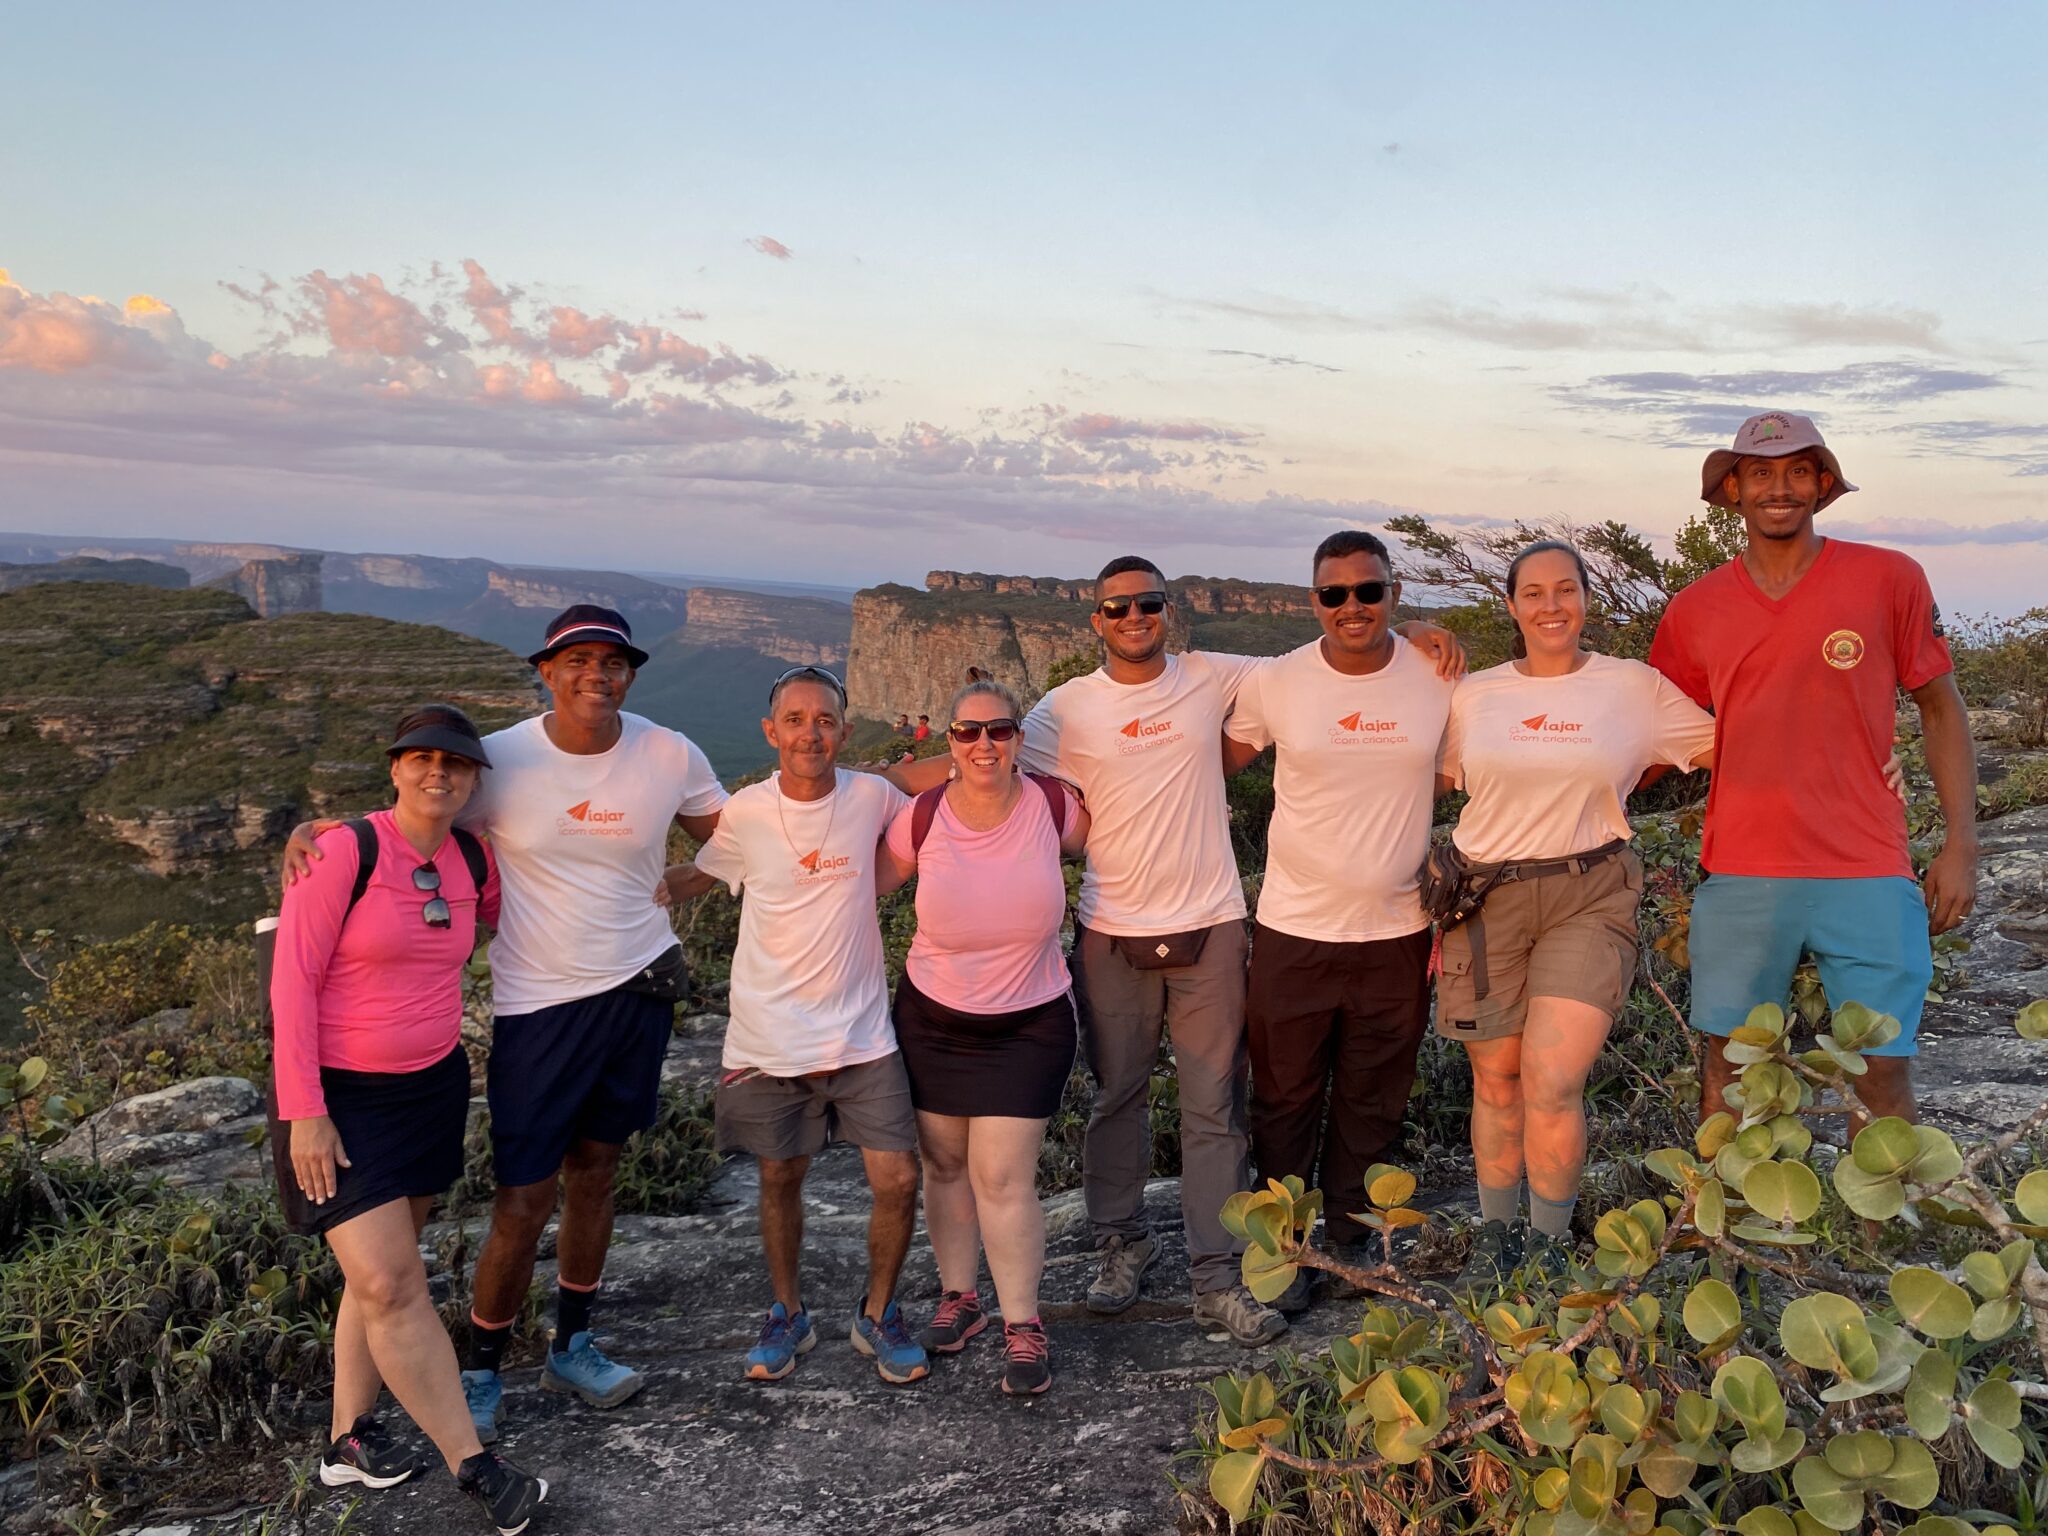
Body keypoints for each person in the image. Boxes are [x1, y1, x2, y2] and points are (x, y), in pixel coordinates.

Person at [883, 556, 1465, 1346]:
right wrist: (862, 788)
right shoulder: (1061, 710)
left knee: (1214, 1106)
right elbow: (975, 764)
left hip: (1212, 923)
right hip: (1111, 926)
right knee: (1116, 1096)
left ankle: (1219, 1277)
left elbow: (1336, 659)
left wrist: (1415, 630)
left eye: (1147, 604)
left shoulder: (1215, 676)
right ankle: (1120, 1245)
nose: (1133, 618)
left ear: (1168, 611)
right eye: (1116, 607)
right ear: (1096, 621)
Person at [284, 604, 728, 1444]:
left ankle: (574, 1344)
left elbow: (735, 837)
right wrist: (321, 835)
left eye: (612, 662)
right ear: (547, 672)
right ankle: (483, 1368)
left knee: (597, 1173)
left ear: (630, 672)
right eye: (577, 661)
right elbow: (419, 817)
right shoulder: (503, 762)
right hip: (539, 1006)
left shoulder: (670, 751)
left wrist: (680, 884)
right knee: (523, 1197)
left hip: (636, 991)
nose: (595, 675)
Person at [1650, 412, 1978, 1130]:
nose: (1780, 489)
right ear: (1732, 489)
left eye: (1799, 471)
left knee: (1882, 1067)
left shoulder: (1888, 578)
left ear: (1822, 486)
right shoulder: (1694, 609)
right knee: (1732, 1066)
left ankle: (1875, 1242)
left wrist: (1961, 844)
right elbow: (1648, 731)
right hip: (1742, 869)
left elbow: (1941, 707)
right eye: (1761, 472)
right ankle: (1721, 1238)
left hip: (1868, 865)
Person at [271, 705, 548, 1535]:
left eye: (457, 765)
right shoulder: (342, 853)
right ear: (394, 769)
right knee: (392, 1282)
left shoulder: (472, 857)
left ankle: (346, 1441)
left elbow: (537, 907)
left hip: (429, 1089)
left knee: (379, 1275)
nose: (440, 774)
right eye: (421, 759)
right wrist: (306, 1114)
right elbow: (291, 986)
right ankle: (477, 1467)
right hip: (340, 1097)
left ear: (473, 782)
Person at [1434, 541, 1718, 1291]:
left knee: (1553, 1078)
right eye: (1533, 592)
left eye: (1566, 589)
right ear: (1511, 605)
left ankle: (1550, 1246)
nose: (1550, 605)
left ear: (1588, 599)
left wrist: (1861, 759)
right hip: (1485, 896)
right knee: (1496, 1081)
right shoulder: (1474, 694)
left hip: (1590, 890)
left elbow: (1736, 745)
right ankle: (1497, 1240)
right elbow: (1414, 774)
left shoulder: (1634, 688)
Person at [657, 666, 930, 1385]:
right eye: (797, 719)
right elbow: (697, 876)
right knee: (780, 1177)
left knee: (898, 1179)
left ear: (843, 729)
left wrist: (1000, 752)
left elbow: (942, 796)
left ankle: (878, 1312)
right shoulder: (747, 811)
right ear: (771, 731)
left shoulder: (871, 795)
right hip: (770, 1036)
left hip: (863, 1033)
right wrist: (613, 881)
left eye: (826, 719)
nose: (811, 732)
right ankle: (788, 1313)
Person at [1220, 532, 1454, 1312]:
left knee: (1374, 1093)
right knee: (1284, 1096)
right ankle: (1288, 1250)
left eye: (1369, 591)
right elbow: (1211, 761)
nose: (1352, 607)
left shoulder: (1437, 675)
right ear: (1312, 599)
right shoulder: (1278, 681)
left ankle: (1352, 1244)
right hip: (1294, 928)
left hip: (1396, 930)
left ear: (1394, 591)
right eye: (1335, 594)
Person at [874, 679, 1089, 1395]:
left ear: (1018, 739)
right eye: (968, 733)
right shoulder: (923, 816)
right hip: (934, 1016)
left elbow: (1122, 845)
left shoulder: (1054, 808)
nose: (984, 744)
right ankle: (959, 1298)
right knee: (942, 1165)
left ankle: (1022, 1326)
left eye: (998, 730)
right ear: (951, 743)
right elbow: (861, 882)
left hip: (1029, 1020)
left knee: (1000, 1174)